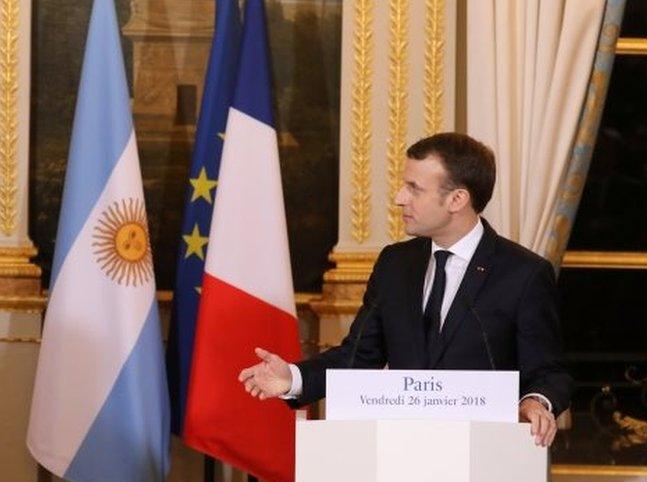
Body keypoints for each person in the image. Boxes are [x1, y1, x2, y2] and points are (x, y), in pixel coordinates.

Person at [238, 132, 571, 447]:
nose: (399, 198)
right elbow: (358, 357)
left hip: (486, 461)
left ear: (457, 199)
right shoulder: (395, 263)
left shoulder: (523, 273)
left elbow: (548, 372)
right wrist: (292, 379)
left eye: (414, 188)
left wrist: (534, 402)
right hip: (403, 455)